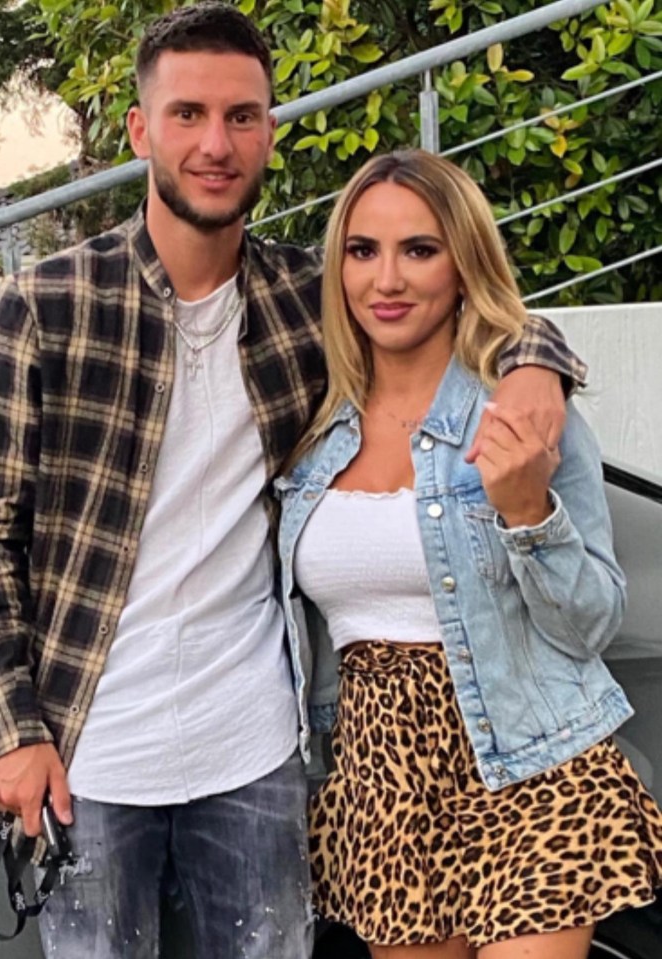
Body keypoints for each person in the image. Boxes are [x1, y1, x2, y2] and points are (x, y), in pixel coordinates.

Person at [0, 4, 585, 958]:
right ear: (140, 130)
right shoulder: (44, 305)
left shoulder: (306, 299)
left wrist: (541, 361)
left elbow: (468, 306)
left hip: (257, 754)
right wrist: (10, 731)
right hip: (93, 754)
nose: (216, 142)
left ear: (270, 130)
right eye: (189, 115)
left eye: (242, 116)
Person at [276, 148, 662, 959]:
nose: (388, 279)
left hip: (529, 765)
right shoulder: (311, 429)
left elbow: (593, 620)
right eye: (363, 250)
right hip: (381, 781)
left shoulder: (519, 417)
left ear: (463, 266)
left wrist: (527, 512)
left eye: (419, 249)